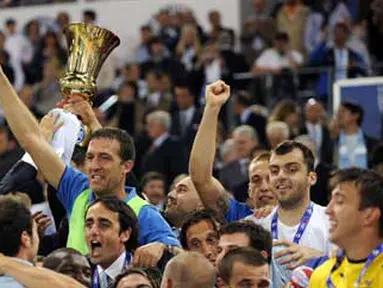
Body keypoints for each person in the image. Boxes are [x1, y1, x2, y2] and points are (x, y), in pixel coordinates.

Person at [0, 67, 180, 259]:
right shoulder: (78, 188)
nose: (94, 165)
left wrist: (163, 247)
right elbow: (30, 139)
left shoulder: (144, 213)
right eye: (90, 157)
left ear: (126, 166)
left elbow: (181, 259)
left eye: (104, 158)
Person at [246, 141, 333, 287]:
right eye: (274, 171)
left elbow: (356, 273)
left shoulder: (332, 222)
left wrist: (319, 259)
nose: (280, 176)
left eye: (291, 169)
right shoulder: (253, 226)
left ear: (311, 178)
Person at [309, 168, 383, 287]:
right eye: (330, 200)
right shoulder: (322, 276)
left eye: (339, 201)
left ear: (369, 215)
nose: (328, 210)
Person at [85, 197, 139, 288]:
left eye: (104, 225)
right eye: (89, 225)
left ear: (125, 234)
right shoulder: (78, 273)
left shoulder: (147, 271)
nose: (93, 231)